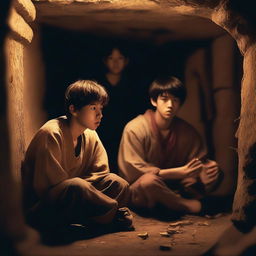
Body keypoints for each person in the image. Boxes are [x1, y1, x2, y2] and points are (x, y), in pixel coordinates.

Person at [21, 80, 133, 232]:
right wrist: (98, 199)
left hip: (78, 197)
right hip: (46, 207)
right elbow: (50, 188)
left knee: (119, 184)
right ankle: (109, 216)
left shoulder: (90, 134)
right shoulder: (52, 133)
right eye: (93, 108)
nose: (100, 114)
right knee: (76, 186)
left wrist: (90, 194)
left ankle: (98, 219)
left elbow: (99, 175)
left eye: (101, 108)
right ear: (73, 109)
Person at [118, 76, 220, 215]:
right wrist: (178, 172)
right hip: (143, 191)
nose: (170, 105)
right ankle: (186, 206)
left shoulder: (188, 132)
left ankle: (171, 204)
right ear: (154, 101)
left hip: (175, 189)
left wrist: (205, 171)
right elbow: (131, 171)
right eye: (164, 99)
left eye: (175, 100)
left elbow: (196, 164)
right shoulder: (135, 128)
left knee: (216, 171)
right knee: (148, 182)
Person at [96, 45, 143, 173]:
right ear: (105, 61)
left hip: (125, 132)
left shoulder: (132, 84)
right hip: (101, 132)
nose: (116, 63)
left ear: (126, 61)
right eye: (111, 58)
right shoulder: (97, 84)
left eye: (120, 58)